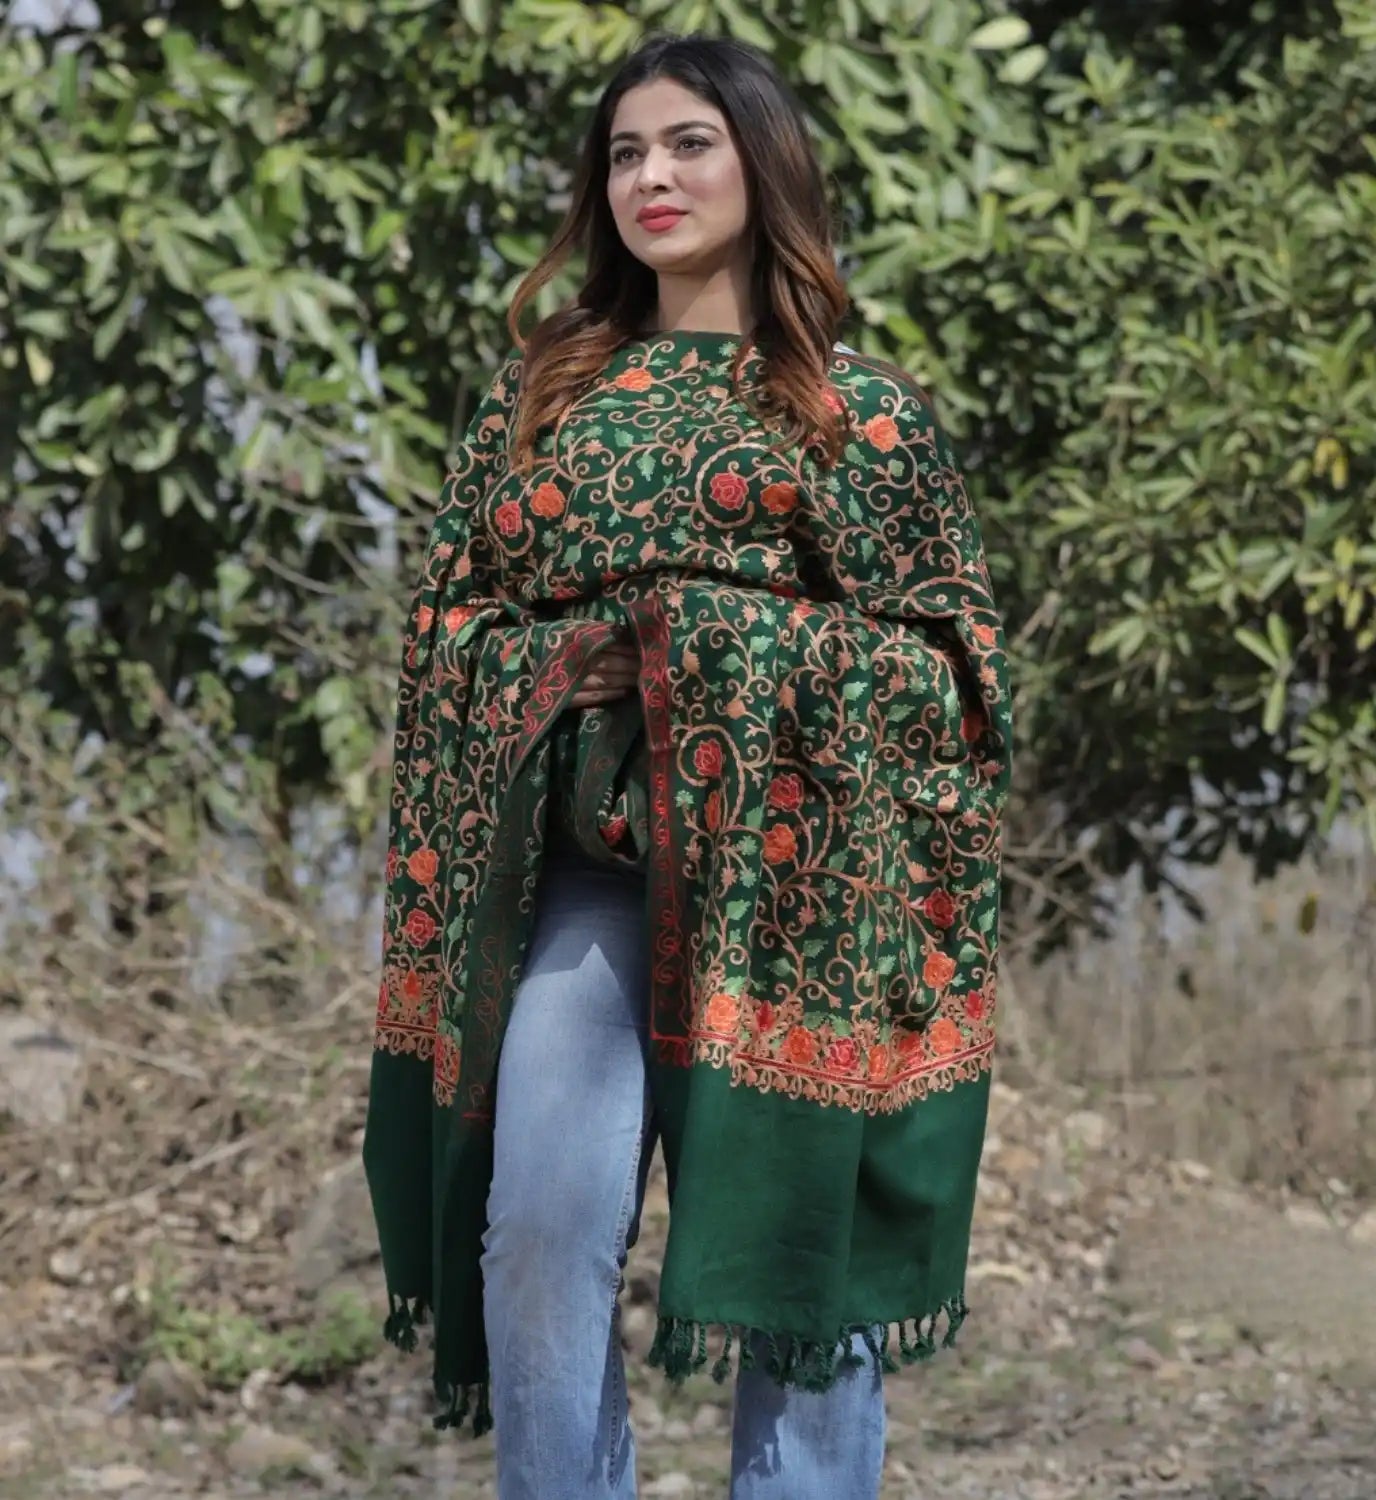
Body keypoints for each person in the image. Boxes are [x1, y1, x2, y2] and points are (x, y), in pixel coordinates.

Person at [362, 29, 1012, 1500]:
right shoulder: (541, 403)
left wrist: (691, 637)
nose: (650, 176)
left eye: (688, 144)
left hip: (804, 919)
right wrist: (556, 666)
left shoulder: (860, 412)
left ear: (762, 163)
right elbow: (449, 632)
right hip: (587, 888)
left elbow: (953, 679)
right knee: (536, 1221)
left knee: (797, 1262)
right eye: (624, 153)